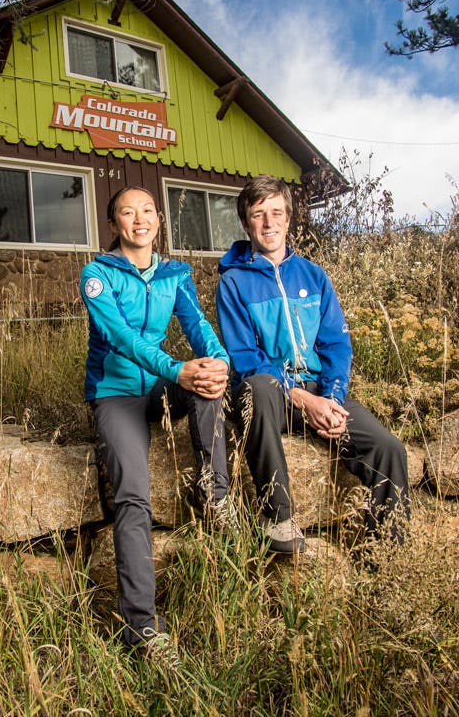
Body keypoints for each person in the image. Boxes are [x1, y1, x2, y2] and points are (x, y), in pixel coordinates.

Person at [80, 184, 234, 666]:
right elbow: (120, 337)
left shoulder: (175, 274)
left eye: (147, 210)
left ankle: (214, 490)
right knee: (133, 497)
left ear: (158, 220)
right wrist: (177, 369)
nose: (139, 219)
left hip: (162, 386)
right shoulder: (97, 275)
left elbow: (199, 328)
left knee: (207, 378)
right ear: (114, 225)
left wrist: (220, 362)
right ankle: (142, 628)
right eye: (128, 212)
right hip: (117, 395)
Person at [216, 175, 410, 554]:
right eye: (258, 215)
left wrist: (332, 399)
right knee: (258, 385)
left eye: (276, 213)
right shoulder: (233, 282)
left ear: (288, 219)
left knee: (390, 449)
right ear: (246, 223)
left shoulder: (314, 276)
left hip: (322, 393)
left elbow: (336, 344)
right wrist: (304, 400)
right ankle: (278, 517)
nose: (269, 223)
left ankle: (387, 555)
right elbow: (245, 359)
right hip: (272, 399)